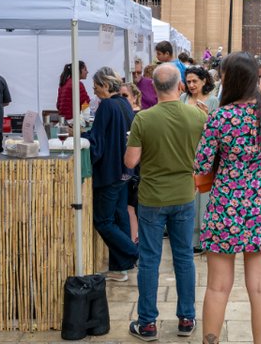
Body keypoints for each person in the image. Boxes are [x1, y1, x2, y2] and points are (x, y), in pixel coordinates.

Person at [194, 52, 261, 344]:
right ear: (256, 79)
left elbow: (200, 165)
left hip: (225, 207)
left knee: (217, 288)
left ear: (227, 79)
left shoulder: (220, 117)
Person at [124, 63, 206, 341]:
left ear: (154, 87)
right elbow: (205, 156)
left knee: (150, 259)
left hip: (152, 196)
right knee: (184, 257)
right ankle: (186, 318)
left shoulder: (144, 119)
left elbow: (131, 161)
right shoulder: (196, 115)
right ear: (180, 85)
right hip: (184, 194)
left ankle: (147, 323)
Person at [84, 68, 138, 281]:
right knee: (119, 215)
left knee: (103, 220)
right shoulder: (124, 103)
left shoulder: (106, 105)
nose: (94, 89)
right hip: (124, 170)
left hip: (110, 171)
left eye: (96, 85)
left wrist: (81, 137)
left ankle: (133, 253)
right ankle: (120, 266)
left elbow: (98, 141)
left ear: (105, 85)